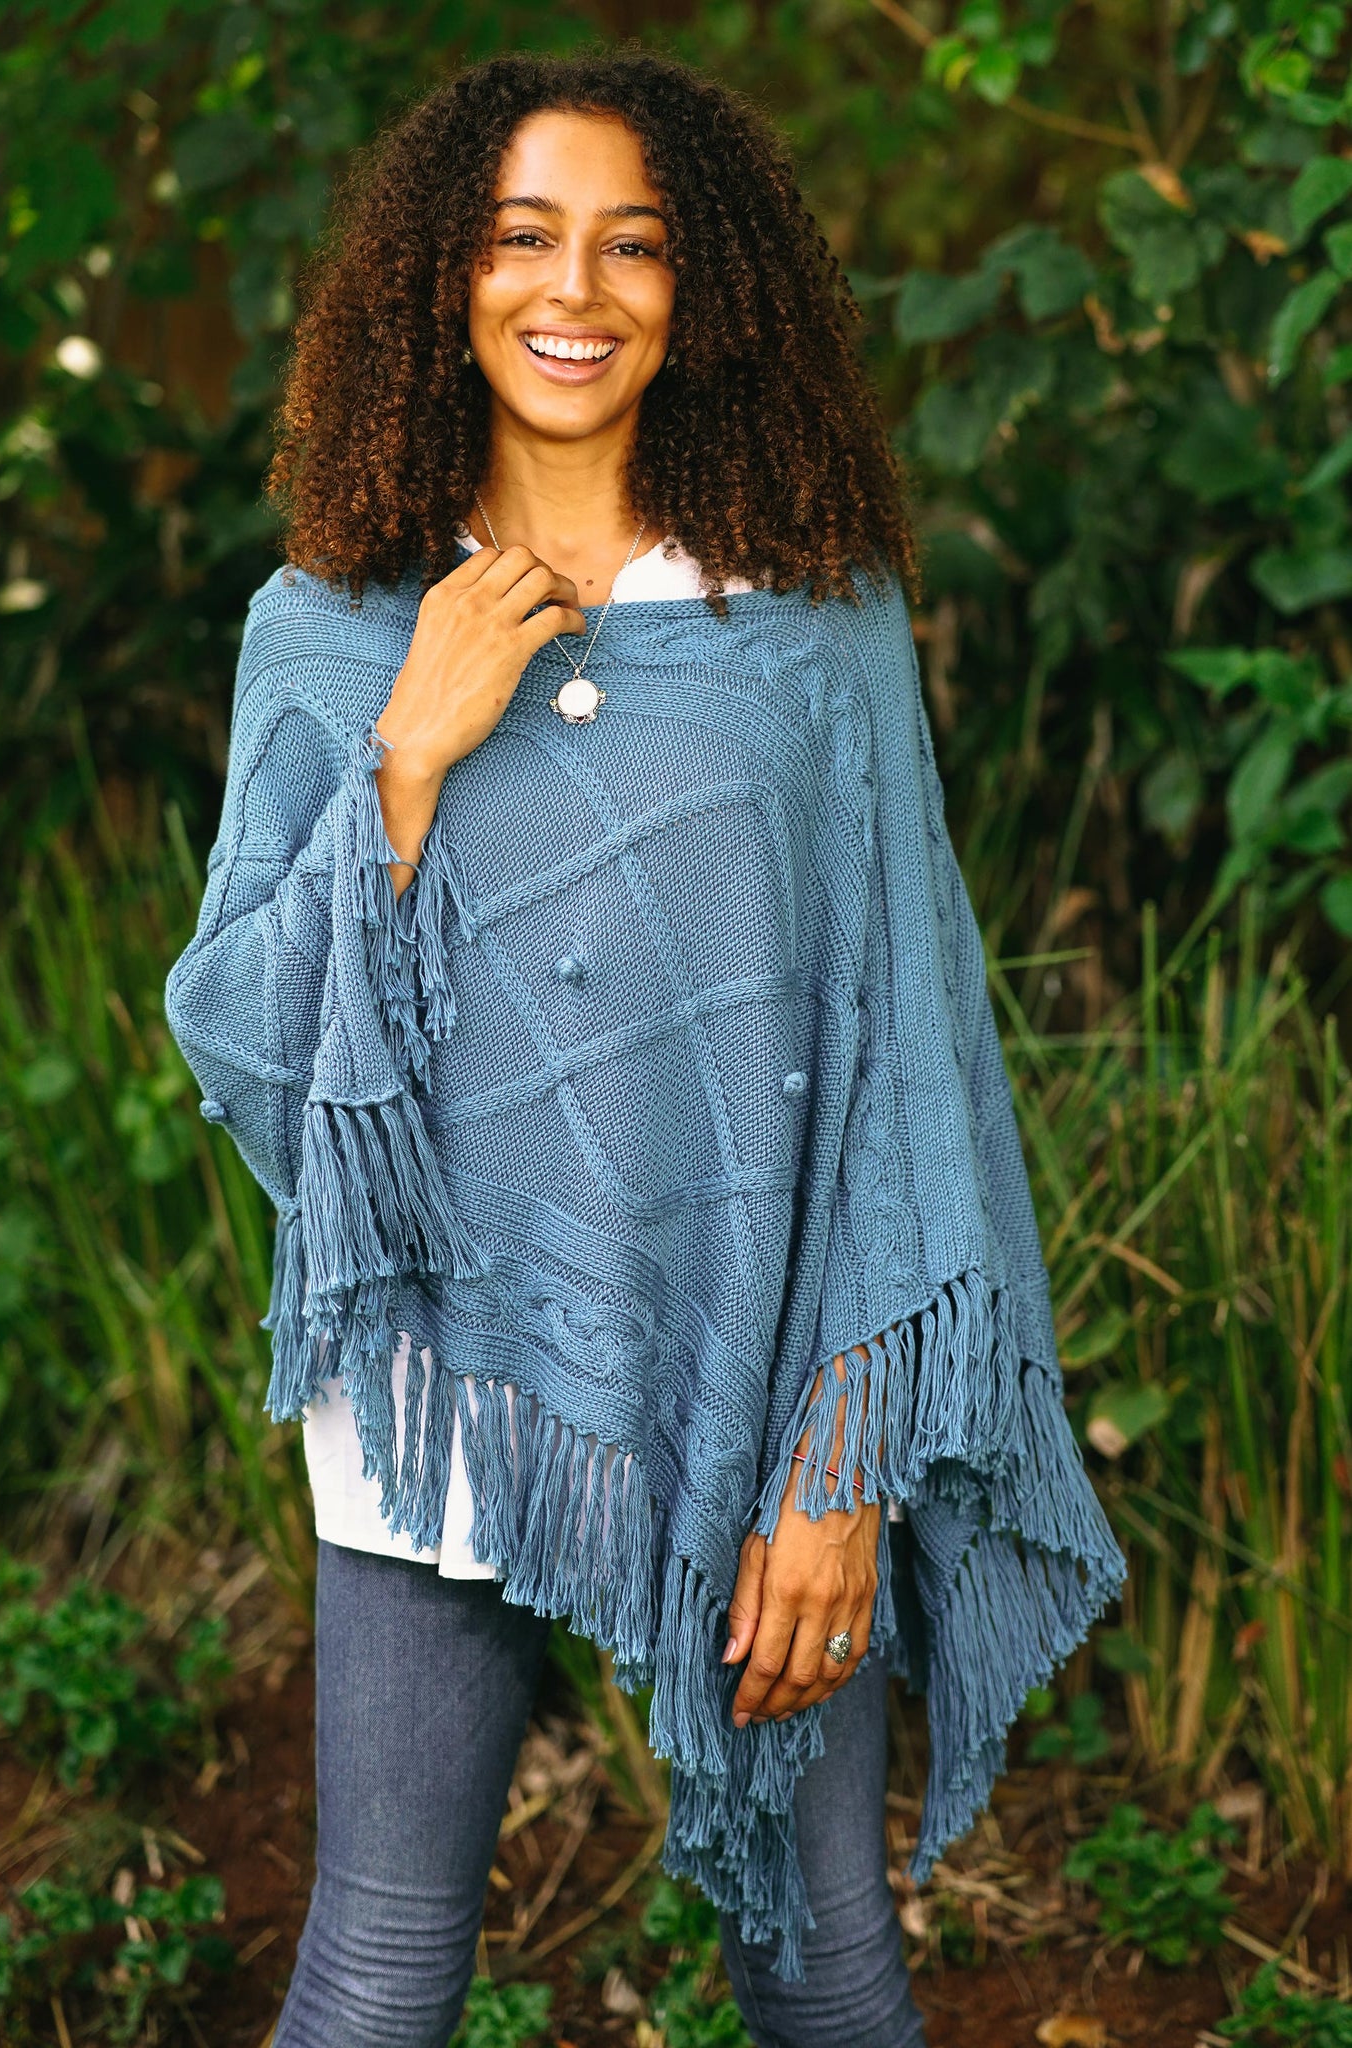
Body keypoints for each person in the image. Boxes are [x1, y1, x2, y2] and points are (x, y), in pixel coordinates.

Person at [164, 45, 1126, 2048]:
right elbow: (244, 1034)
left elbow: (904, 1064)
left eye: (635, 245)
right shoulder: (331, 627)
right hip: (436, 1385)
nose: (573, 290)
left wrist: (838, 1471)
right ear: (441, 278)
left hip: (764, 1399)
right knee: (374, 1970)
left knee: (822, 1965)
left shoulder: (814, 628)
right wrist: (406, 762)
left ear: (704, 293)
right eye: (522, 237)